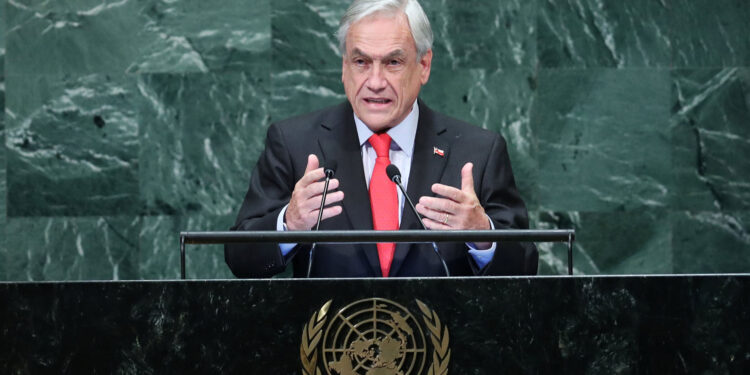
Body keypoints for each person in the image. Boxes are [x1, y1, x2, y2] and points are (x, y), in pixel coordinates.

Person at [225, 0, 537, 278]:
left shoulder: (478, 151)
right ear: (344, 66)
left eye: (393, 63)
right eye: (361, 62)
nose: (375, 82)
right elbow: (240, 258)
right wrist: (288, 225)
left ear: (424, 65)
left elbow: (526, 266)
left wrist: (484, 235)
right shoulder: (294, 143)